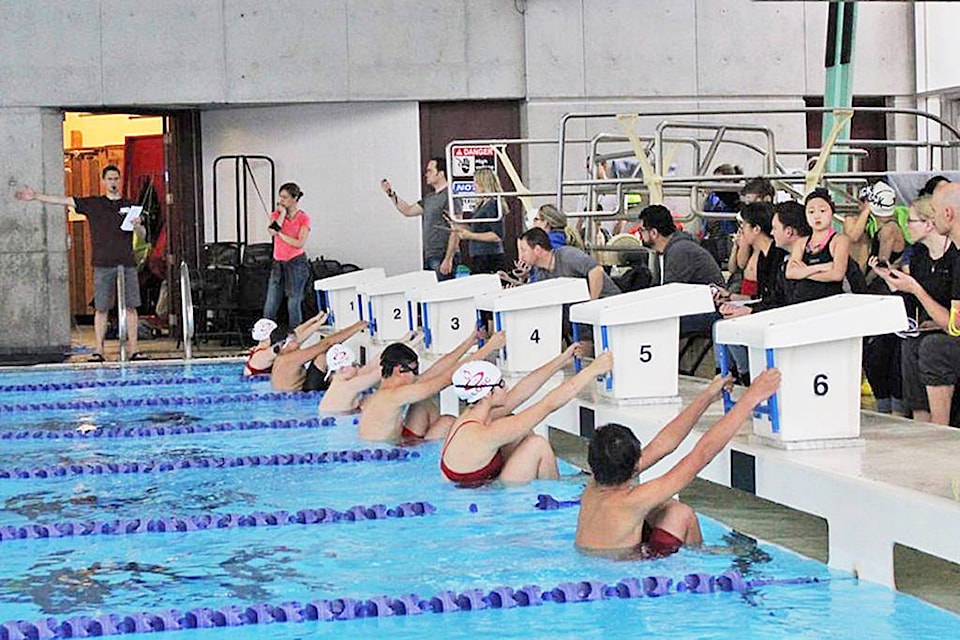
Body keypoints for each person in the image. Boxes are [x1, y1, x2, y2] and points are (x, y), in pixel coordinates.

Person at [575, 369, 781, 558]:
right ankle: (699, 561)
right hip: (628, 575)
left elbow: (663, 444)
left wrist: (708, 396)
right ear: (634, 467)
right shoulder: (632, 501)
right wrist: (751, 398)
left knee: (670, 508)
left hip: (599, 571)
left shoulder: (594, 485)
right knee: (681, 514)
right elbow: (702, 455)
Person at [16, 165, 145, 362]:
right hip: (103, 263)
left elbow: (142, 236)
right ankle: (99, 350)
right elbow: (64, 200)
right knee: (102, 308)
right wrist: (36, 196)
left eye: (116, 179)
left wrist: (138, 227)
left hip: (127, 263)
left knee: (131, 307)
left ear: (120, 181)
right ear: (103, 182)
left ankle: (134, 350)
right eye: (110, 179)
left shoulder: (130, 205)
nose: (113, 182)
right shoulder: (93, 204)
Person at [441, 347, 613, 486]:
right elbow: (549, 404)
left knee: (524, 431)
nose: (506, 387)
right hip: (480, 502)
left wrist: (562, 358)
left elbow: (521, 391)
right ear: (488, 393)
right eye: (501, 383)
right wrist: (592, 370)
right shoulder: (485, 433)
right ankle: (554, 493)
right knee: (537, 444)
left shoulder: (472, 415)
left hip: (475, 488)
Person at [871, 195, 956, 422]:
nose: (906, 226)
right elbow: (915, 299)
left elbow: (953, 323)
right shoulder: (919, 256)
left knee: (931, 347)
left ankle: (940, 424)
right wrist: (891, 280)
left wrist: (915, 289)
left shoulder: (954, 257)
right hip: (937, 324)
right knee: (909, 342)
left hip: (951, 329)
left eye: (911, 221)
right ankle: (920, 417)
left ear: (929, 223)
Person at [358, 330, 506, 442]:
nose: (417, 375)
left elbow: (437, 370)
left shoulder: (390, 391)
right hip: (389, 457)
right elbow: (448, 378)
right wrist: (489, 347)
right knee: (447, 422)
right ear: (398, 370)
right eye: (414, 370)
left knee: (423, 404)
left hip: (394, 443)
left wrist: (471, 340)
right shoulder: (396, 395)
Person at [636, 204, 725, 336]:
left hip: (710, 311)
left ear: (654, 233)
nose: (640, 235)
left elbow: (669, 293)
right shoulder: (665, 251)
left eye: (641, 230)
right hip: (695, 308)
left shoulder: (680, 250)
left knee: (651, 325)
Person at [381, 157, 459, 279]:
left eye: (430, 171)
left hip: (442, 254)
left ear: (441, 174)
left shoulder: (450, 197)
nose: (426, 174)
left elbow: (456, 230)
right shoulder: (429, 198)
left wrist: (448, 258)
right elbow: (408, 210)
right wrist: (391, 193)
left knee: (442, 292)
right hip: (430, 254)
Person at [318, 331, 423, 414]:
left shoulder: (342, 379)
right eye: (354, 364)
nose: (358, 367)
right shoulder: (350, 385)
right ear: (343, 369)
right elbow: (381, 369)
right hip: (339, 418)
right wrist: (410, 347)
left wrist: (403, 340)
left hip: (339, 415)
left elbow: (373, 364)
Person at [517, 227, 620, 299]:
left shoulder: (567, 255)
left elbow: (596, 270)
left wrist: (591, 302)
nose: (520, 257)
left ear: (538, 250)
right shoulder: (540, 272)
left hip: (608, 304)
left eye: (523, 250)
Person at [786, 189, 851, 303]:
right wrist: (821, 267)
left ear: (832, 212)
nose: (817, 216)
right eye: (811, 212)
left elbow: (837, 274)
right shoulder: (801, 242)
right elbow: (790, 273)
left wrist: (803, 271)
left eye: (822, 210)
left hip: (829, 301)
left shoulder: (840, 240)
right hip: (801, 301)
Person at [263, 182, 311, 329]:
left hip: (296, 263)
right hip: (278, 263)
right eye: (280, 197)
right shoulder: (276, 215)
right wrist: (282, 214)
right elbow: (272, 230)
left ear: (294, 198)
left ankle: (295, 337)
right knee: (271, 302)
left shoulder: (303, 218)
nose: (281, 201)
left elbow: (299, 242)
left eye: (285, 198)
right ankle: (265, 337)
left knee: (293, 301)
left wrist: (281, 235)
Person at [270, 320, 366, 393]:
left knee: (320, 354)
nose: (297, 339)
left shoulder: (281, 358)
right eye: (294, 338)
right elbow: (327, 343)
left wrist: (318, 320)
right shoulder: (291, 358)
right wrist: (357, 327)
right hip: (304, 397)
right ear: (283, 345)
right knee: (322, 356)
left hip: (290, 396)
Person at [454, 168, 507, 274]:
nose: (474, 186)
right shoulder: (482, 205)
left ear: (484, 184)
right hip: (479, 255)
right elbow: (477, 229)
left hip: (489, 256)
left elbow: (497, 235)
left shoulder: (492, 205)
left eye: (476, 183)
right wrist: (458, 224)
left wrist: (470, 236)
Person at [244, 312, 327, 377]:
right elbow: (295, 340)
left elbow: (295, 333)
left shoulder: (263, 347)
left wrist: (315, 319)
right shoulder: (263, 355)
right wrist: (319, 323)